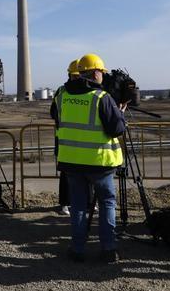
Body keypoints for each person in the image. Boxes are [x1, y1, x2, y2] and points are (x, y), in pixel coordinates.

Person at [50, 53, 126, 263]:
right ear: (95, 73)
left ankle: (77, 249)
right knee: (107, 204)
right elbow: (117, 129)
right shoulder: (101, 98)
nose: (103, 76)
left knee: (78, 206)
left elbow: (56, 117)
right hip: (99, 163)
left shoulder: (61, 95)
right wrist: (120, 113)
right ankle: (108, 249)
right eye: (102, 72)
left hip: (71, 162)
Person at [53, 59, 80, 217]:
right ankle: (65, 203)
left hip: (83, 140)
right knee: (66, 173)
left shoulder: (89, 92)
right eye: (76, 75)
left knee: (86, 173)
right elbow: (53, 113)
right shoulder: (62, 91)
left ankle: (88, 202)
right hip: (64, 139)